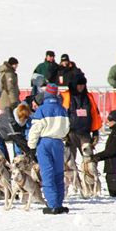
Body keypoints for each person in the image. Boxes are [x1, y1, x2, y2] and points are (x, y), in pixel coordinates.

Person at [28, 84, 70, 214]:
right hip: (58, 142)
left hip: (44, 143)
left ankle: (52, 204)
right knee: (58, 173)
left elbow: (35, 129)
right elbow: (66, 128)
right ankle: (59, 203)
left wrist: (31, 146)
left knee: (47, 174)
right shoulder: (62, 109)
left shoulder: (41, 110)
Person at [61, 73, 102, 157]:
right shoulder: (65, 96)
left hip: (85, 133)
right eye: (79, 85)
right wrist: (63, 133)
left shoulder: (88, 97)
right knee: (69, 162)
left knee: (89, 161)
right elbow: (61, 115)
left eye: (83, 85)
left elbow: (94, 114)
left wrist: (95, 132)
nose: (81, 87)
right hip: (70, 134)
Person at [90, 110, 116, 197]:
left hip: (114, 169)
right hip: (115, 169)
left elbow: (112, 150)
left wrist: (97, 157)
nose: (107, 122)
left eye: (109, 120)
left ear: (114, 121)